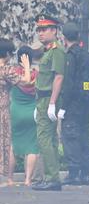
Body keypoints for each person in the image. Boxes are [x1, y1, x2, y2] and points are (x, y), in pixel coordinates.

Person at [33, 13, 66, 191]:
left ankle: (52, 178)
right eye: (39, 29)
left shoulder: (57, 50)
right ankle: (51, 177)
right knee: (50, 139)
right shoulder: (48, 50)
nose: (41, 33)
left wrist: (52, 102)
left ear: (54, 30)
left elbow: (59, 77)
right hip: (43, 98)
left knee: (44, 138)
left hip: (48, 98)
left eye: (44, 29)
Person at [59, 23, 89, 185]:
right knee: (83, 136)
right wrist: (88, 99)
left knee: (70, 137)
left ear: (64, 38)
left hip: (73, 104)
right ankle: (86, 174)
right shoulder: (87, 55)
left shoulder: (71, 56)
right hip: (85, 103)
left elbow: (69, 84)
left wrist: (63, 107)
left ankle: (73, 173)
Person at [11, 47, 39, 185]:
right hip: (32, 112)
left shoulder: (13, 72)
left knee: (12, 145)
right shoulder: (36, 74)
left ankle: (10, 178)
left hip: (15, 111)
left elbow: (23, 81)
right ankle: (28, 179)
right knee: (32, 146)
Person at [0, 39, 18, 186]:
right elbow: (24, 81)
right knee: (4, 143)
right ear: (6, 54)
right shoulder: (6, 69)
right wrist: (25, 66)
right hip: (2, 112)